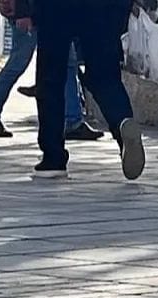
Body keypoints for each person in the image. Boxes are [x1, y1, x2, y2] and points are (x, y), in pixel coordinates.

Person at [14, 0, 144, 180]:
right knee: (104, 76)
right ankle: (122, 121)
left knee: (51, 78)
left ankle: (53, 158)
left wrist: (23, 9)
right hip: (101, 8)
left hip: (54, 8)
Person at [0, 1, 103, 141]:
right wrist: (22, 12)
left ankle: (73, 121)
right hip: (31, 12)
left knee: (67, 64)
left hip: (51, 13)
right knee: (17, 65)